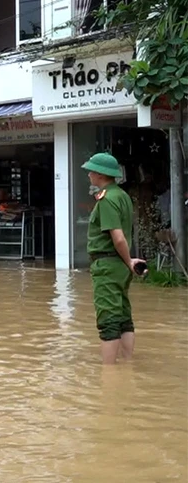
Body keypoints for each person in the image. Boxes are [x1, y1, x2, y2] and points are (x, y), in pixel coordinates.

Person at [83, 153, 147, 365]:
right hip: (119, 266)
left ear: (101, 174)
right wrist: (128, 263)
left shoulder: (107, 199)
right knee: (123, 316)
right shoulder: (122, 195)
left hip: (108, 265)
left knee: (108, 318)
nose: (89, 174)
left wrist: (129, 260)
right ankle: (127, 364)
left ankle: (109, 372)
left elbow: (118, 238)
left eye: (92, 170)